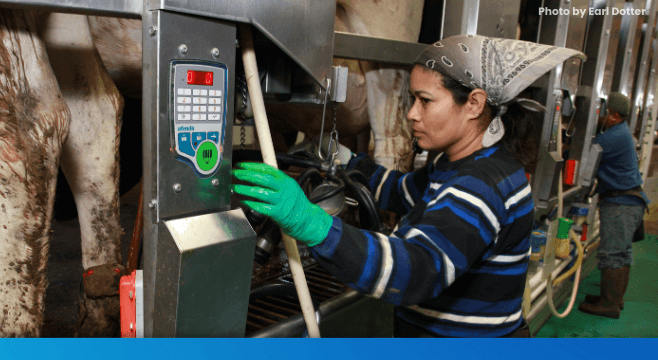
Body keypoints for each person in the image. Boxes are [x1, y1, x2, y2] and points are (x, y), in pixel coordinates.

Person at [234, 35, 583, 337]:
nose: (412, 114)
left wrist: (311, 224)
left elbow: (415, 270)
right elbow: (399, 191)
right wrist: (346, 160)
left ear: (474, 104)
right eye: (412, 100)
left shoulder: (481, 184)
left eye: (425, 100)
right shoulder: (457, 164)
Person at [578, 92, 648, 319]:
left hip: (621, 204)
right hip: (628, 202)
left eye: (605, 113)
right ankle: (613, 300)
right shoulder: (622, 133)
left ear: (615, 116)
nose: (602, 117)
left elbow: (586, 153)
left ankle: (609, 304)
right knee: (622, 254)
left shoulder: (613, 137)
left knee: (613, 254)